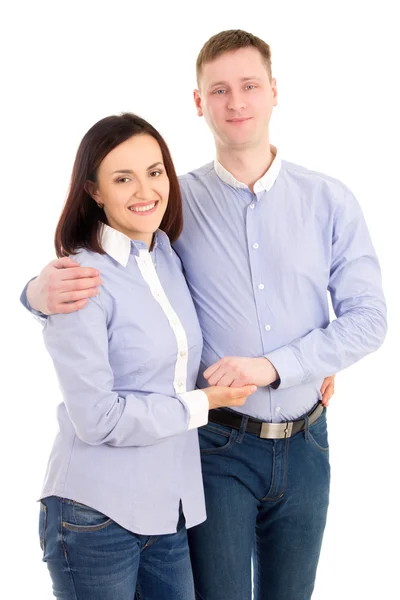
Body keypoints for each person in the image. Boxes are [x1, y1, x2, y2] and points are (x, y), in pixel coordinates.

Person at [22, 29, 386, 600]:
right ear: (198, 102)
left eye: (248, 86)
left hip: (308, 439)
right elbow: (115, 268)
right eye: (219, 90)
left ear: (273, 91)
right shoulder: (170, 207)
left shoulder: (330, 199)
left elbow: (368, 320)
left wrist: (285, 364)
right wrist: (34, 291)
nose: (236, 102)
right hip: (214, 446)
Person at [24, 112, 257, 600]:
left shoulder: (168, 257)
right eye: (122, 178)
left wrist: (301, 370)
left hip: (166, 510)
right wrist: (203, 402)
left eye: (155, 172)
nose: (144, 190)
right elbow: (98, 419)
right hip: (94, 515)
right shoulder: (80, 280)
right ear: (94, 191)